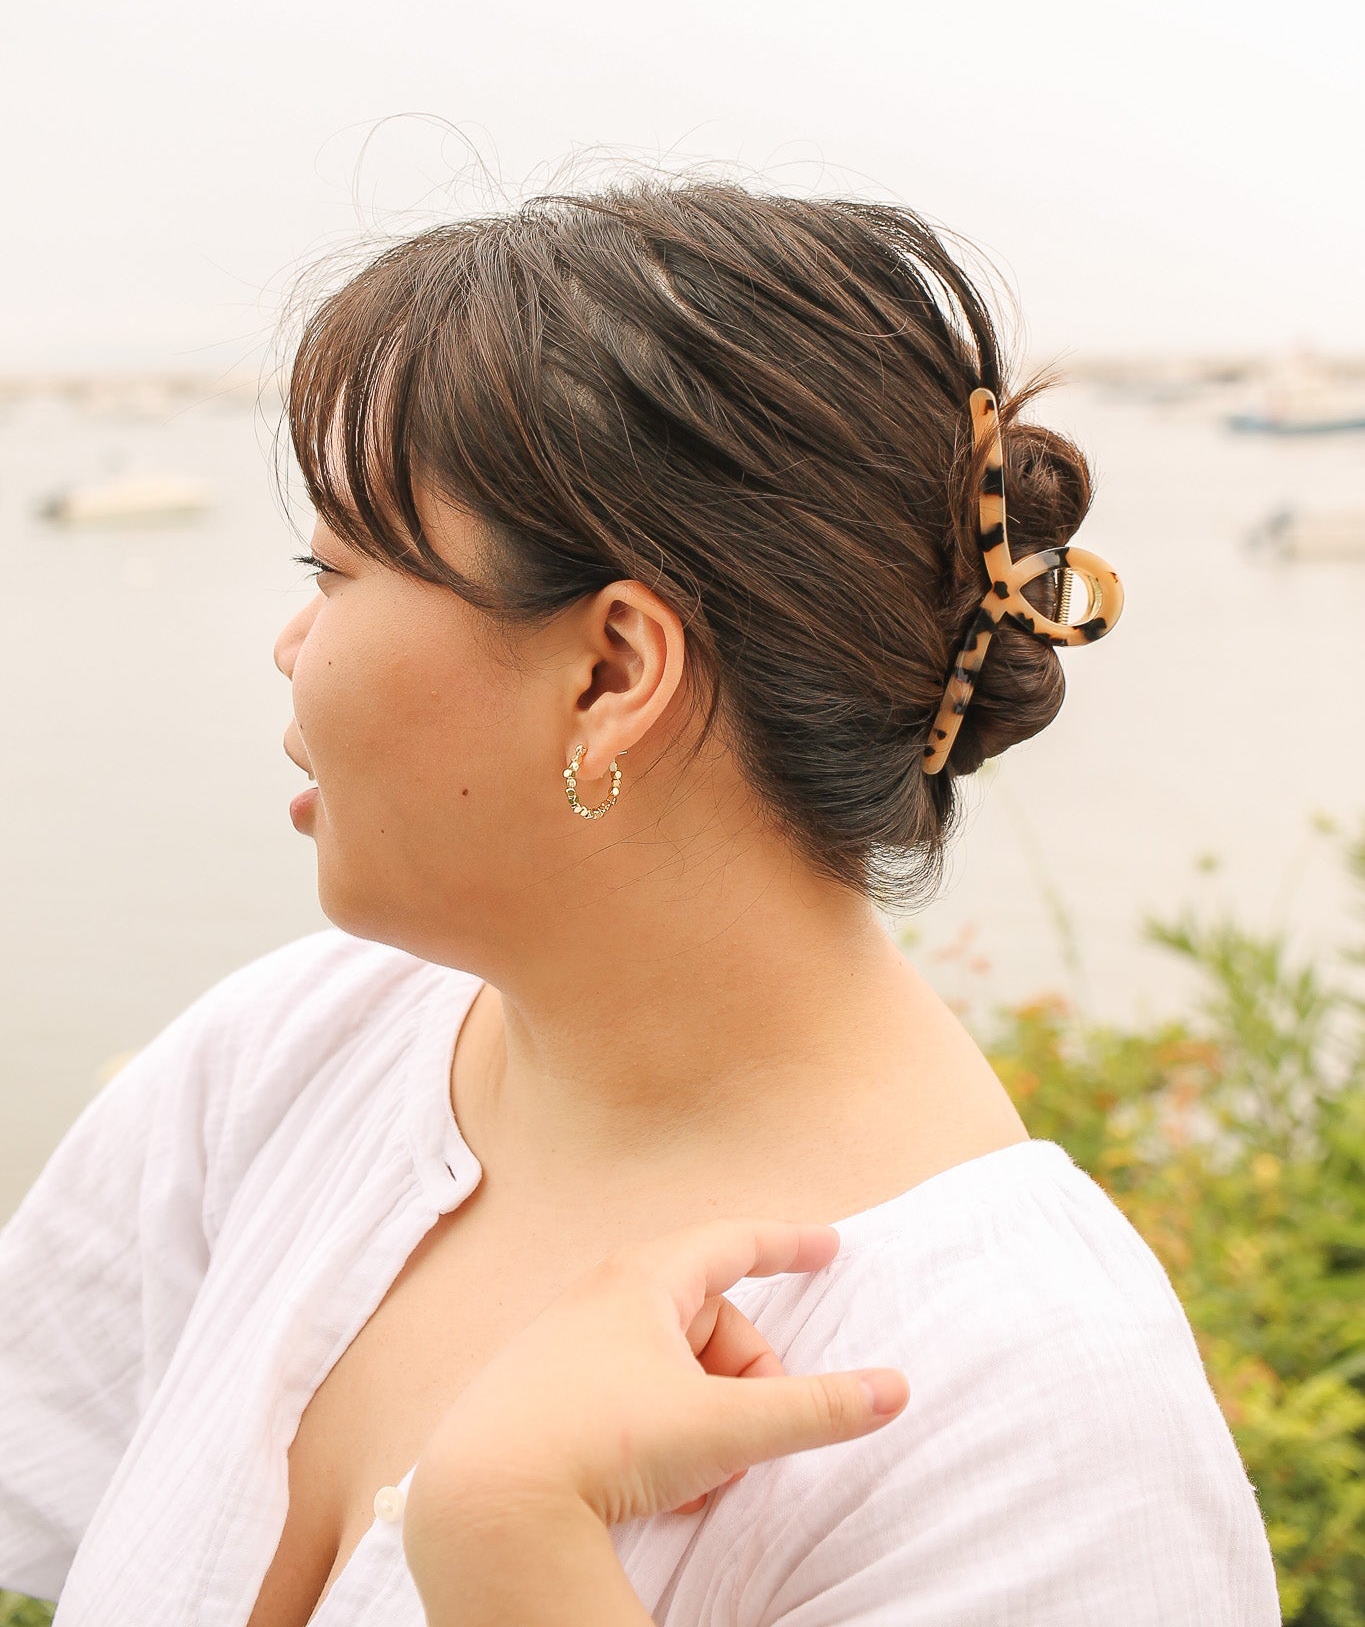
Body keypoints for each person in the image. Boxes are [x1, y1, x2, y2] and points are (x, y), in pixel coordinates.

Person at [0, 182, 1280, 1625]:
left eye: (335, 569)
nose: (294, 644)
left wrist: (517, 1557)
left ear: (614, 673)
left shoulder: (1026, 1412)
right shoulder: (289, 1057)